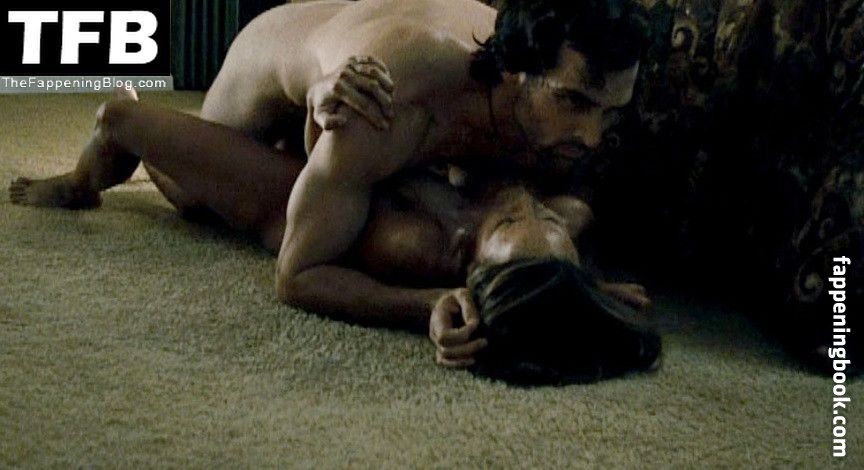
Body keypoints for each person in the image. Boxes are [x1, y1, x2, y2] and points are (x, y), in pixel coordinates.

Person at [9, 0, 649, 367]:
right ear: (518, 72)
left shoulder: (540, 116)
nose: (593, 136)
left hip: (361, 54)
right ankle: (91, 170)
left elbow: (536, 240)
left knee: (334, 177)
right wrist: (433, 302)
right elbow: (297, 274)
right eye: (576, 102)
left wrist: (568, 292)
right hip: (269, 76)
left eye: (611, 112)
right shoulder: (385, 101)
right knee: (196, 196)